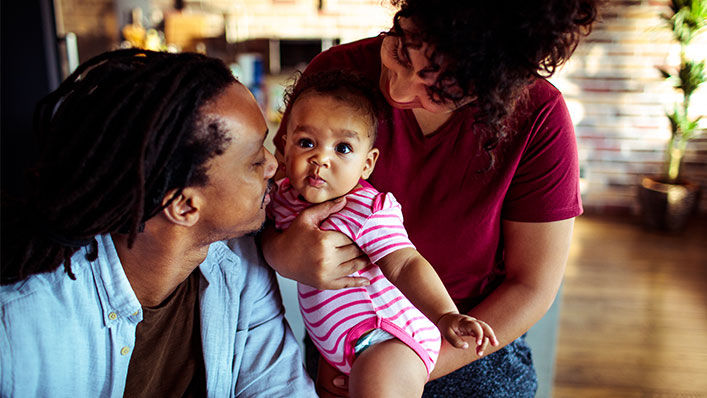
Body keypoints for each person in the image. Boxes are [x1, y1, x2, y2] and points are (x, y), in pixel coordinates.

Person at [262, 0, 599, 396]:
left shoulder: (538, 117)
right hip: (341, 334)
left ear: (490, 93)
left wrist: (397, 370)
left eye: (440, 90)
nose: (397, 89)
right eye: (400, 51)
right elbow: (270, 204)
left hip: (466, 340)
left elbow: (531, 287)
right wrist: (280, 252)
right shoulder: (333, 81)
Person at [0, 49, 316, 397]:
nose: (275, 164)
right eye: (255, 160)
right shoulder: (19, 329)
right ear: (183, 206)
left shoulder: (242, 264)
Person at [268, 70, 498, 397]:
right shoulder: (283, 199)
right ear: (286, 147)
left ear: (367, 164)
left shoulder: (366, 208)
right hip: (343, 350)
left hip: (388, 336)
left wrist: (445, 314)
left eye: (343, 148)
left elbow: (404, 263)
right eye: (306, 143)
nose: (321, 158)